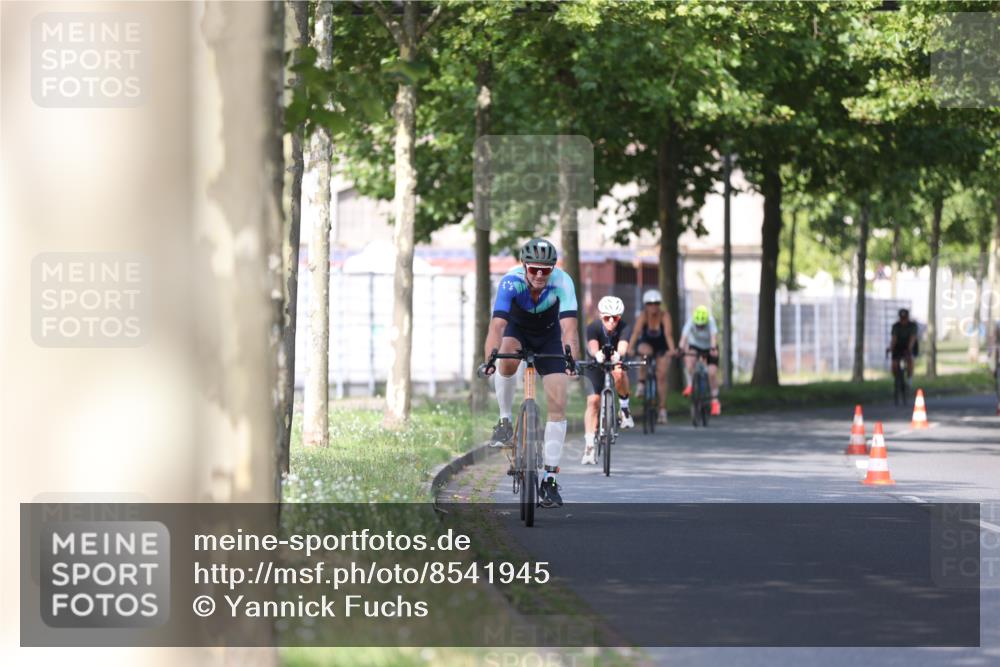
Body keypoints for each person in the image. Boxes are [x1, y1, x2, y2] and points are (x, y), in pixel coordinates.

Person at [481, 238, 580, 508]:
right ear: (524, 266)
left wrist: (572, 359)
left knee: (558, 402)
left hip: (550, 336)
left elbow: (569, 328)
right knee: (506, 361)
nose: (539, 275)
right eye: (534, 269)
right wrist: (490, 357)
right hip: (518, 331)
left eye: (545, 270)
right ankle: (504, 421)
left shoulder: (563, 282)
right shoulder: (510, 282)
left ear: (553, 269)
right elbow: (497, 326)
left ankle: (549, 478)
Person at [581, 296, 633, 465]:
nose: (611, 321)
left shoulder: (624, 327)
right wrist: (597, 354)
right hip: (596, 363)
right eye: (607, 317)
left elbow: (623, 345)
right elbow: (592, 345)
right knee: (593, 402)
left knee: (619, 372)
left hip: (615, 360)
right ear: (601, 316)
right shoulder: (593, 327)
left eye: (615, 317)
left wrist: (619, 354)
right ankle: (589, 446)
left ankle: (624, 409)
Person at [628, 289, 677, 424]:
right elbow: (636, 333)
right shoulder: (643, 316)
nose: (653, 306)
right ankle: (641, 383)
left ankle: (662, 409)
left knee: (661, 376)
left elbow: (668, 335)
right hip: (647, 344)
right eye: (650, 304)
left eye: (656, 303)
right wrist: (630, 348)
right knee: (644, 353)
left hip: (661, 346)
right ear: (645, 305)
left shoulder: (665, 315)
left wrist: (672, 350)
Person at [679, 305, 721, 416]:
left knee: (711, 373)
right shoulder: (691, 320)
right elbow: (684, 337)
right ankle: (690, 385)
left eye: (702, 326)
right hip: (695, 345)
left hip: (709, 347)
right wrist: (680, 348)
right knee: (689, 360)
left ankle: (715, 401)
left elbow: (713, 337)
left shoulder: (711, 322)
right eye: (698, 326)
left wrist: (713, 348)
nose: (700, 328)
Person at [887, 308, 918, 379]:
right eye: (902, 318)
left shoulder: (912, 326)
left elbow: (912, 338)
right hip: (898, 347)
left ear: (908, 318)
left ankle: (909, 379)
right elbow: (894, 338)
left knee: (909, 362)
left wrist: (909, 349)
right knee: (894, 364)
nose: (903, 320)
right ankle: (897, 380)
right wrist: (891, 348)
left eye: (905, 318)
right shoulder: (896, 326)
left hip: (909, 346)